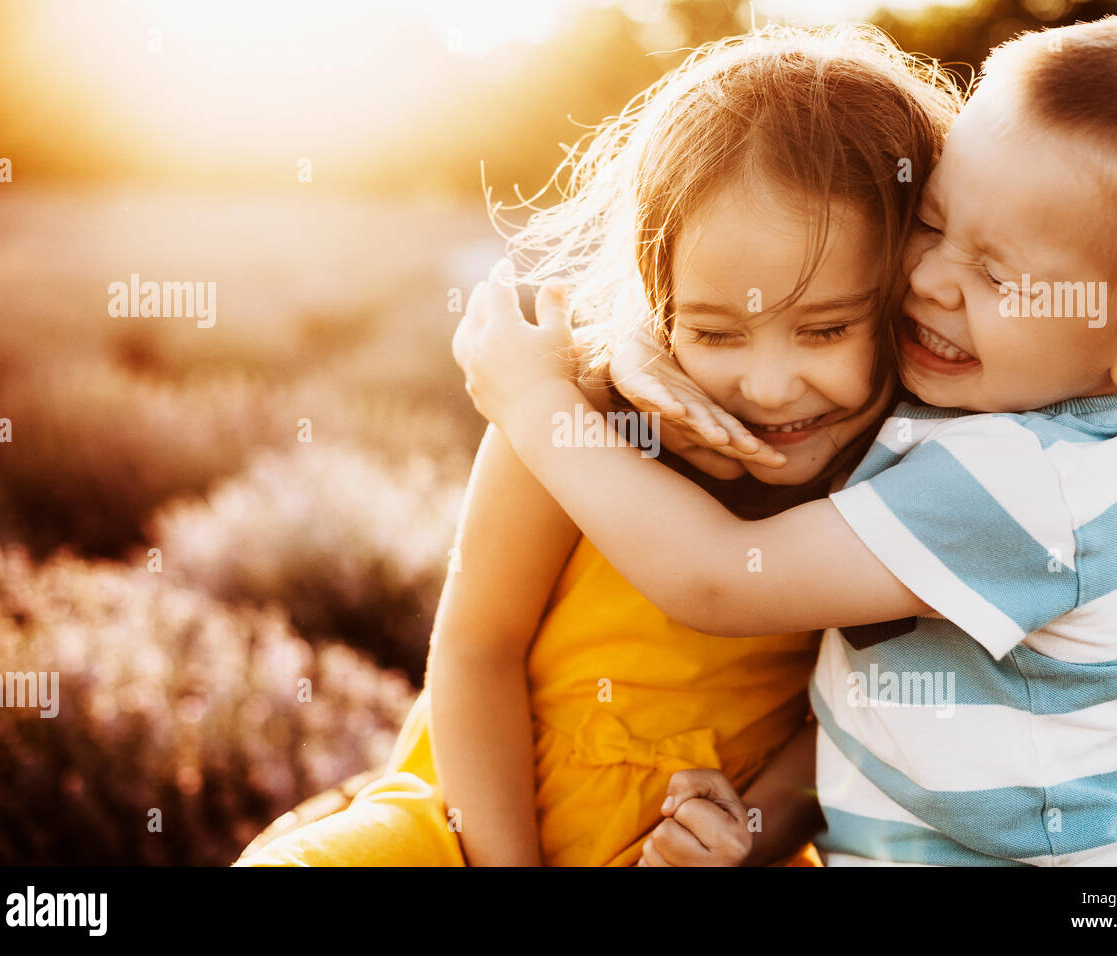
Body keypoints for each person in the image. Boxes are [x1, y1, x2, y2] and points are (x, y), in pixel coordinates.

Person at [453, 14, 1117, 865]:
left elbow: (715, 582)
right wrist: (751, 830)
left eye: (996, 274)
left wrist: (535, 401)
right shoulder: (991, 397)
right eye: (935, 222)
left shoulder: (1025, 483)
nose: (929, 280)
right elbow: (869, 711)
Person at [235, 23, 958, 866]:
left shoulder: (902, 480)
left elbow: (852, 728)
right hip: (467, 825)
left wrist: (747, 833)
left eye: (826, 328)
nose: (767, 386)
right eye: (716, 333)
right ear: (659, 292)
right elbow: (476, 650)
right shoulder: (575, 413)